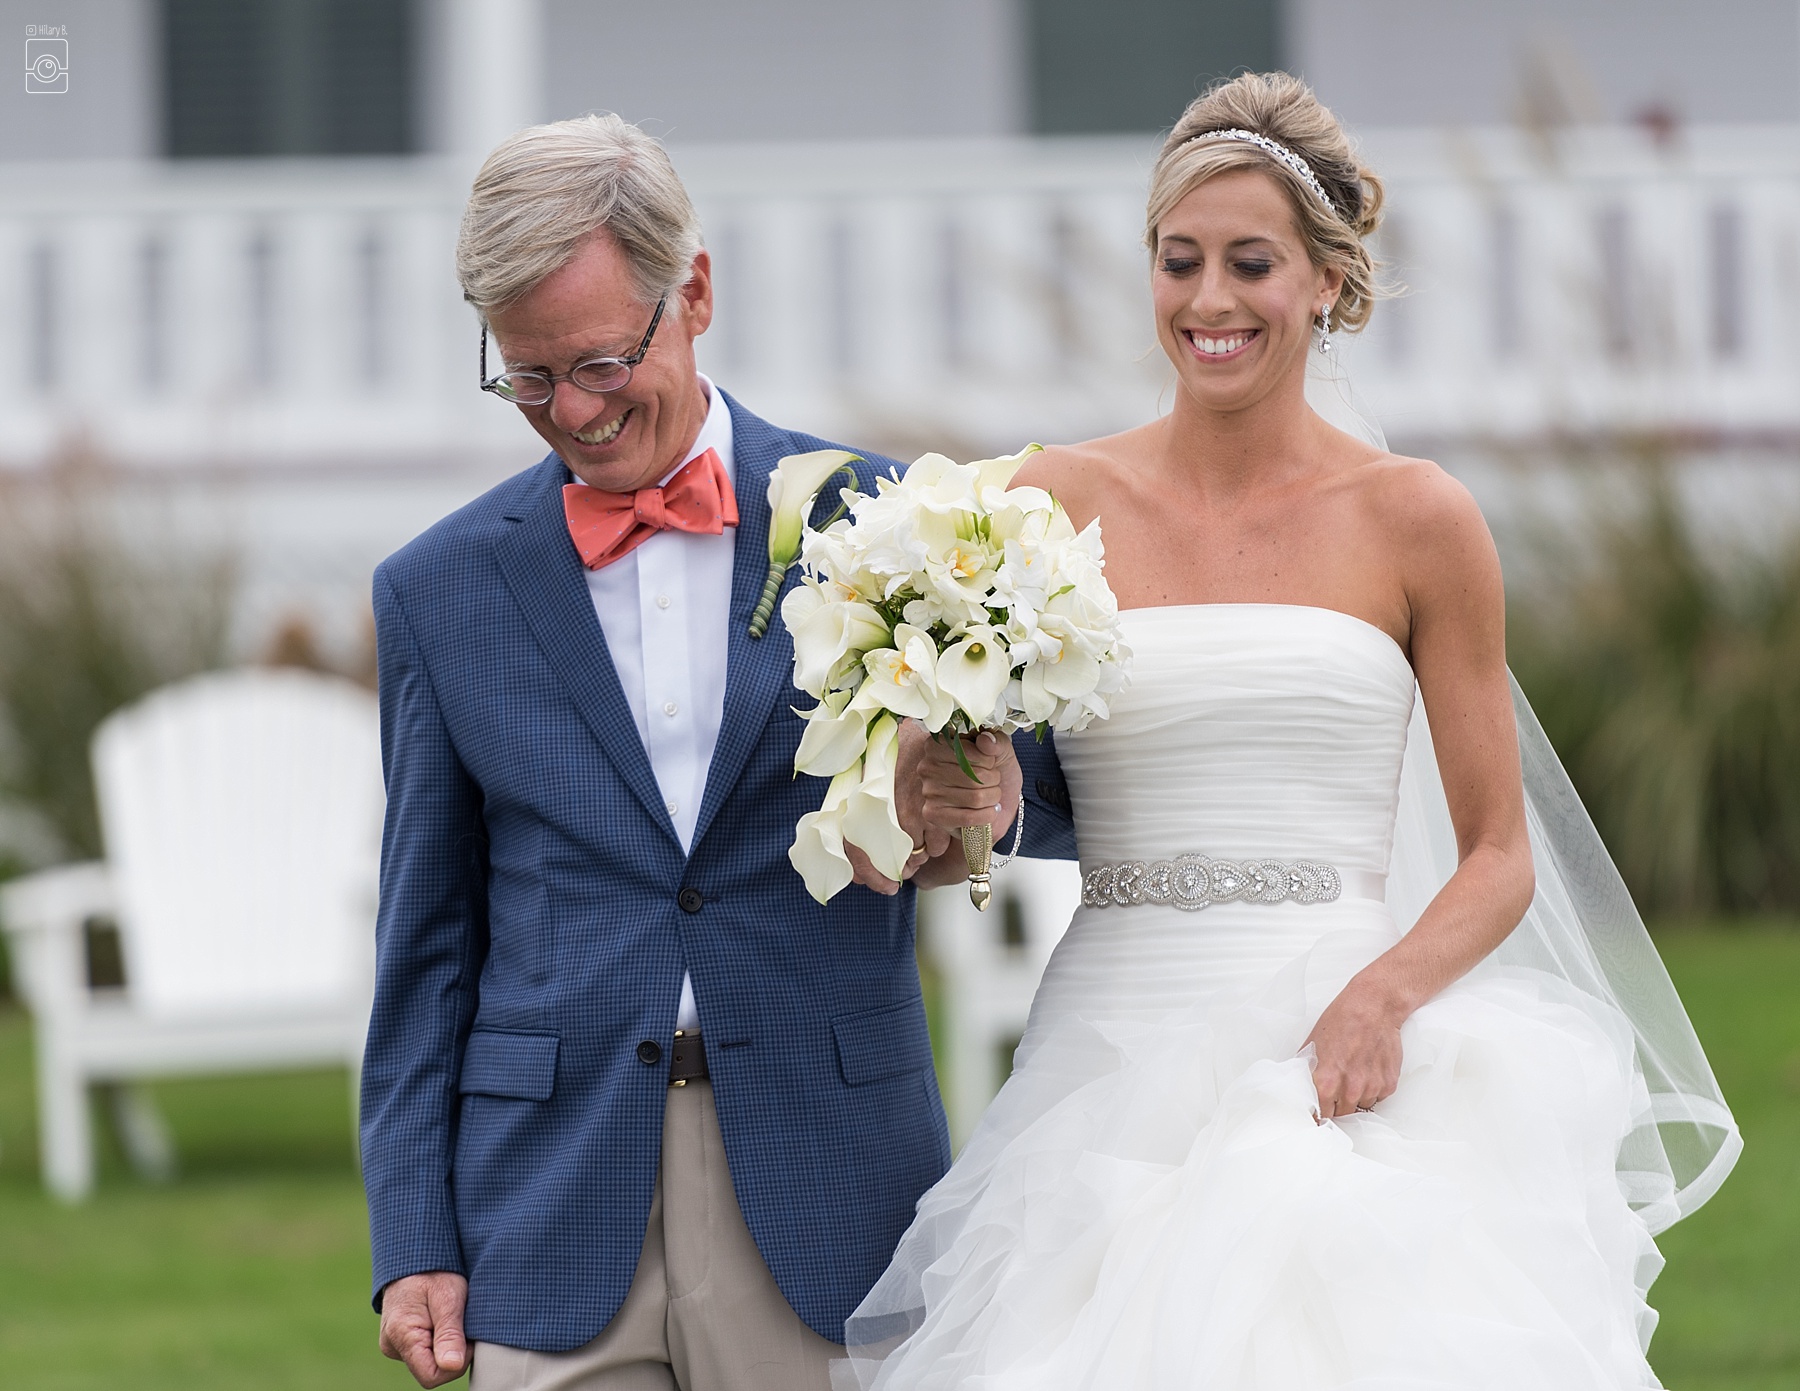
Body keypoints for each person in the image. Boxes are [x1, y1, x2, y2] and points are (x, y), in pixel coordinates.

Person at [855, 71, 1740, 1388]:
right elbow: (967, 822)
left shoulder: (1418, 518)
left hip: (1342, 1041)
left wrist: (1381, 998)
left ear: (1327, 280)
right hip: (1107, 1057)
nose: (1210, 301)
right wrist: (931, 813)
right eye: (1180, 261)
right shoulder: (1037, 506)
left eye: (1251, 263)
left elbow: (1500, 851)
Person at [359, 114, 1037, 1391]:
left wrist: (974, 784)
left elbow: (1036, 781)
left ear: (700, 293)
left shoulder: (890, 523)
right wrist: (412, 1236)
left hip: (828, 1181)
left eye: (605, 361)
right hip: (547, 1205)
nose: (574, 412)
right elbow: (426, 939)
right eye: (530, 379)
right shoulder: (435, 592)